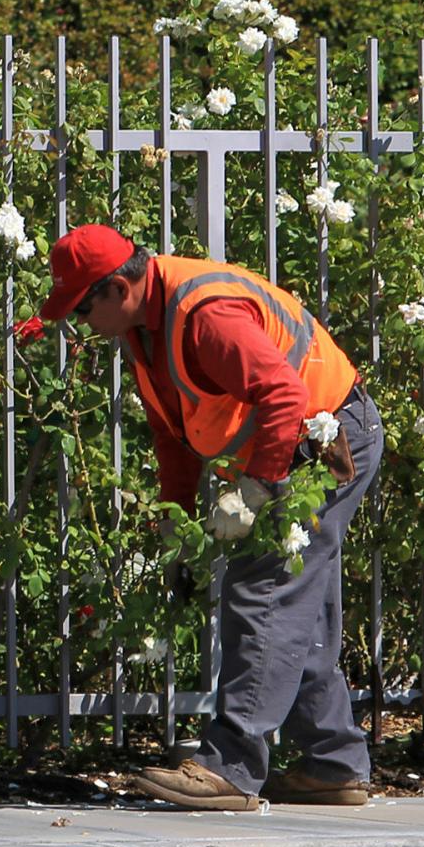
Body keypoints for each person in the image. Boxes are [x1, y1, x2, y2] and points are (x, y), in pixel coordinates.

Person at [35, 224, 385, 811]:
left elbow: (282, 394)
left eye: (81, 308)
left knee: (263, 590)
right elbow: (172, 435)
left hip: (327, 440)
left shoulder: (205, 316)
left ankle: (231, 766)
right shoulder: (146, 330)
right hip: (301, 445)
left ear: (119, 288)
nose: (79, 325)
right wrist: (175, 522)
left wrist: (254, 491)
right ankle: (333, 764)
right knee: (299, 608)